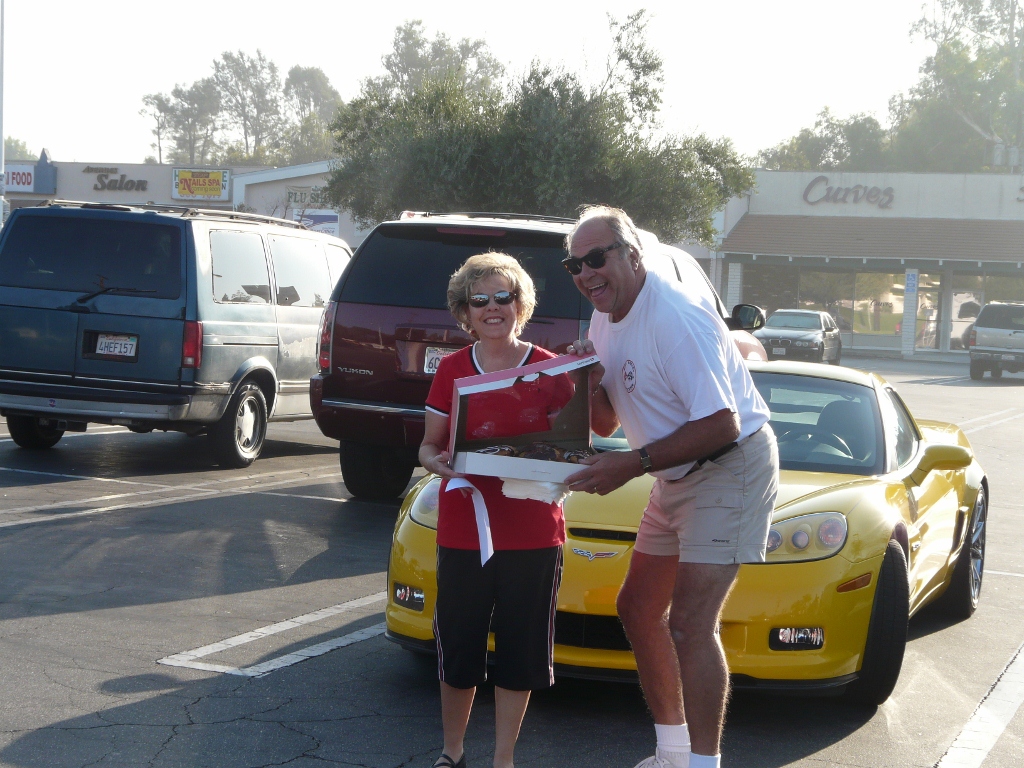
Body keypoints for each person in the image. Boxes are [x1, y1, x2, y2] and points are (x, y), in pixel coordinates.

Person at [563, 206, 779, 768]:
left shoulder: (676, 317)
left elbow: (721, 423)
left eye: (596, 258)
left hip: (730, 466)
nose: (586, 273)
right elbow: (608, 420)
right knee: (637, 608)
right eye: (574, 265)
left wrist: (630, 466)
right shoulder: (602, 319)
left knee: (689, 623)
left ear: (632, 255)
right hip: (673, 472)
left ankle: (704, 764)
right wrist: (587, 382)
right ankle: (672, 753)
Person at [419, 252, 573, 768]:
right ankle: (452, 752)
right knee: (459, 646)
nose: (492, 308)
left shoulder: (554, 370)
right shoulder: (453, 370)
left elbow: (583, 439)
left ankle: (503, 759)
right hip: (466, 529)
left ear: (520, 304)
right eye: (478, 299)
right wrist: (441, 465)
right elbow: (428, 446)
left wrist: (591, 364)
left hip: (533, 533)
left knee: (521, 651)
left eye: (502, 297)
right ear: (464, 310)